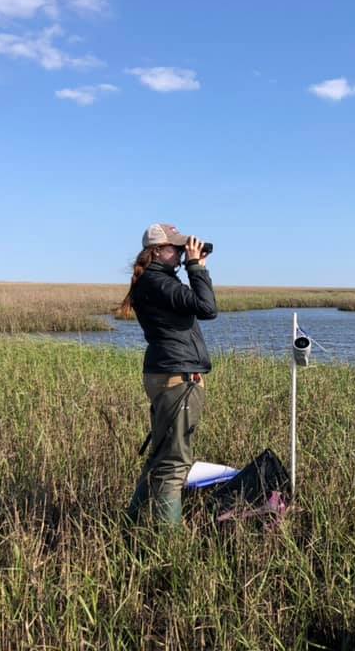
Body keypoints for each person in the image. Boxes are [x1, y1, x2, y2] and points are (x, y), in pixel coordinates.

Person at [119, 223, 218, 525]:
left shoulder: (154, 281)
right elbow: (207, 307)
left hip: (168, 374)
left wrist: (192, 265)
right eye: (175, 248)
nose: (180, 253)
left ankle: (132, 525)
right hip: (177, 377)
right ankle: (167, 543)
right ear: (157, 251)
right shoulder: (158, 283)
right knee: (175, 464)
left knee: (160, 459)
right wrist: (196, 269)